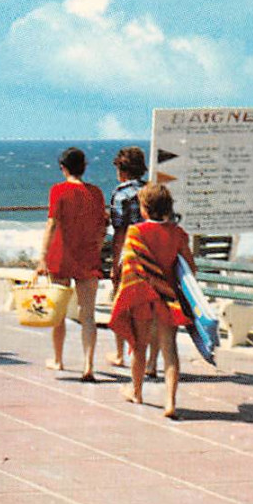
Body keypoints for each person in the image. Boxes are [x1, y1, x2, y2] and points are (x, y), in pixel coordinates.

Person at [109, 183, 193, 417]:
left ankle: (137, 392)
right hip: (168, 298)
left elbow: (129, 267)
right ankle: (170, 402)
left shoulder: (136, 232)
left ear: (144, 209)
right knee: (170, 351)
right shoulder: (178, 233)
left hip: (143, 297)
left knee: (139, 347)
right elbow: (190, 268)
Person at [36, 146, 106, 380]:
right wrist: (96, 249)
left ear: (63, 168)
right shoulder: (96, 193)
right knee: (88, 315)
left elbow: (51, 224)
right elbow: (101, 229)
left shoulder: (58, 191)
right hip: (87, 256)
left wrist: (42, 257)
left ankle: (58, 359)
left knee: (59, 312)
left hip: (61, 255)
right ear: (83, 168)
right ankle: (88, 365)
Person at [107, 146, 149, 372]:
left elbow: (119, 232)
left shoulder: (121, 193)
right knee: (150, 307)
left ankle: (120, 353)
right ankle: (150, 362)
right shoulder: (152, 190)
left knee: (122, 303)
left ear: (122, 169)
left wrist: (115, 263)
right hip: (152, 254)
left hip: (130, 254)